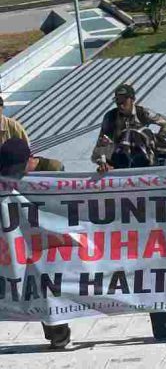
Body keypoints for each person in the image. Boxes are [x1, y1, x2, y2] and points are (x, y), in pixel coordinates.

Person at [99, 126, 166, 341]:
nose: (134, 162)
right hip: (143, 230)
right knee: (152, 278)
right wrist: (104, 173)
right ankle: (165, 331)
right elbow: (113, 176)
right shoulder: (122, 155)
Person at [0, 138, 69, 349]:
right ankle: (54, 331)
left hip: (49, 236)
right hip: (20, 235)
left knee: (48, 283)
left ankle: (58, 331)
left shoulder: (52, 168)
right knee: (31, 283)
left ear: (31, 159)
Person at [92, 83, 166, 170]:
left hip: (142, 158)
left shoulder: (142, 113)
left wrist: (156, 142)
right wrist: (103, 163)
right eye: (118, 101)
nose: (121, 105)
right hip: (119, 160)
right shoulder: (110, 117)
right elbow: (102, 143)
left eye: (124, 101)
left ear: (133, 99)